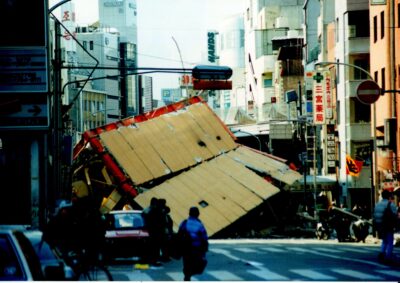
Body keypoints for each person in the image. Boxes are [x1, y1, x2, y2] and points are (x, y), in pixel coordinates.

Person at [178, 206, 208, 281]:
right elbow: (204, 237)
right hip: (196, 248)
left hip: (186, 248)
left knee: (186, 262)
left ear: (189, 213)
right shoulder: (200, 225)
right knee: (195, 262)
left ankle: (187, 275)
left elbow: (179, 234)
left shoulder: (184, 223)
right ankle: (189, 274)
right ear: (198, 214)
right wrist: (205, 249)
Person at [373, 190, 398, 263]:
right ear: (389, 196)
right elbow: (395, 215)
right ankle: (388, 256)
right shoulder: (390, 204)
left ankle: (382, 252)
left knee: (384, 240)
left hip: (379, 225)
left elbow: (374, 215)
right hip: (388, 225)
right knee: (390, 241)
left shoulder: (377, 204)